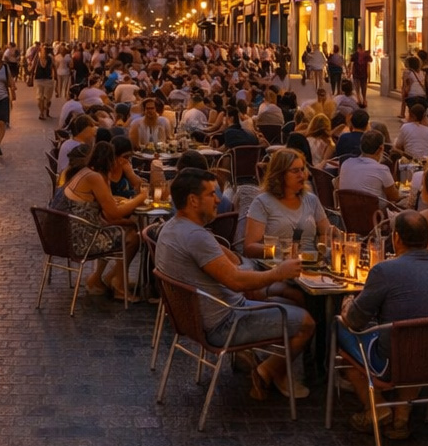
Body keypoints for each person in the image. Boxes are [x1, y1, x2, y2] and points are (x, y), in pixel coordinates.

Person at [157, 168, 314, 400]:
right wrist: (279, 273)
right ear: (193, 200)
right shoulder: (195, 236)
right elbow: (236, 281)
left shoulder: (171, 228)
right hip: (225, 323)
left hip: (195, 321)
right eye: (211, 194)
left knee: (286, 298)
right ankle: (268, 371)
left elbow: (230, 266)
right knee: (307, 322)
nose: (219, 200)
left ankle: (273, 369)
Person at [337, 210, 428, 437]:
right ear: (427, 238)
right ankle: (400, 418)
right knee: (417, 334)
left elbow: (355, 321)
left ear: (396, 238)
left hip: (394, 364)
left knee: (341, 330)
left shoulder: (385, 270)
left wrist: (347, 306)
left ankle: (374, 407)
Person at [61, 140, 147, 300]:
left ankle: (104, 279)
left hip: (70, 232)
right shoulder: (95, 177)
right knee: (132, 237)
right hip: (81, 239)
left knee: (127, 230)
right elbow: (112, 214)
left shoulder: (86, 172)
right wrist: (140, 198)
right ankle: (119, 286)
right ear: (111, 160)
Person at [243, 148, 332, 259]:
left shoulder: (311, 200)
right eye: (295, 171)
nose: (302, 175)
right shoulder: (263, 202)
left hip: (311, 265)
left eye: (302, 169)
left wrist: (322, 250)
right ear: (280, 174)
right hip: (277, 267)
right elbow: (249, 248)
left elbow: (327, 232)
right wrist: (279, 252)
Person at [338, 131, 401, 206]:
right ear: (381, 148)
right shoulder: (381, 170)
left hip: (347, 212)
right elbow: (394, 197)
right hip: (374, 215)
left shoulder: (346, 164)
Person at [399, 55, 428, 120]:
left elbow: (405, 87)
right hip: (422, 96)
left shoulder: (407, 73)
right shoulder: (423, 73)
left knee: (412, 115)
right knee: (421, 116)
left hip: (412, 96)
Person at [32, 43, 56, 120]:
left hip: (48, 79)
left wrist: (55, 77)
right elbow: (32, 67)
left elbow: (54, 67)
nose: (44, 50)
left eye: (45, 49)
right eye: (43, 49)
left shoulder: (50, 57)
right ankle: (42, 112)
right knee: (40, 98)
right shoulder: (37, 57)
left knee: (46, 98)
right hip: (39, 79)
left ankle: (44, 110)